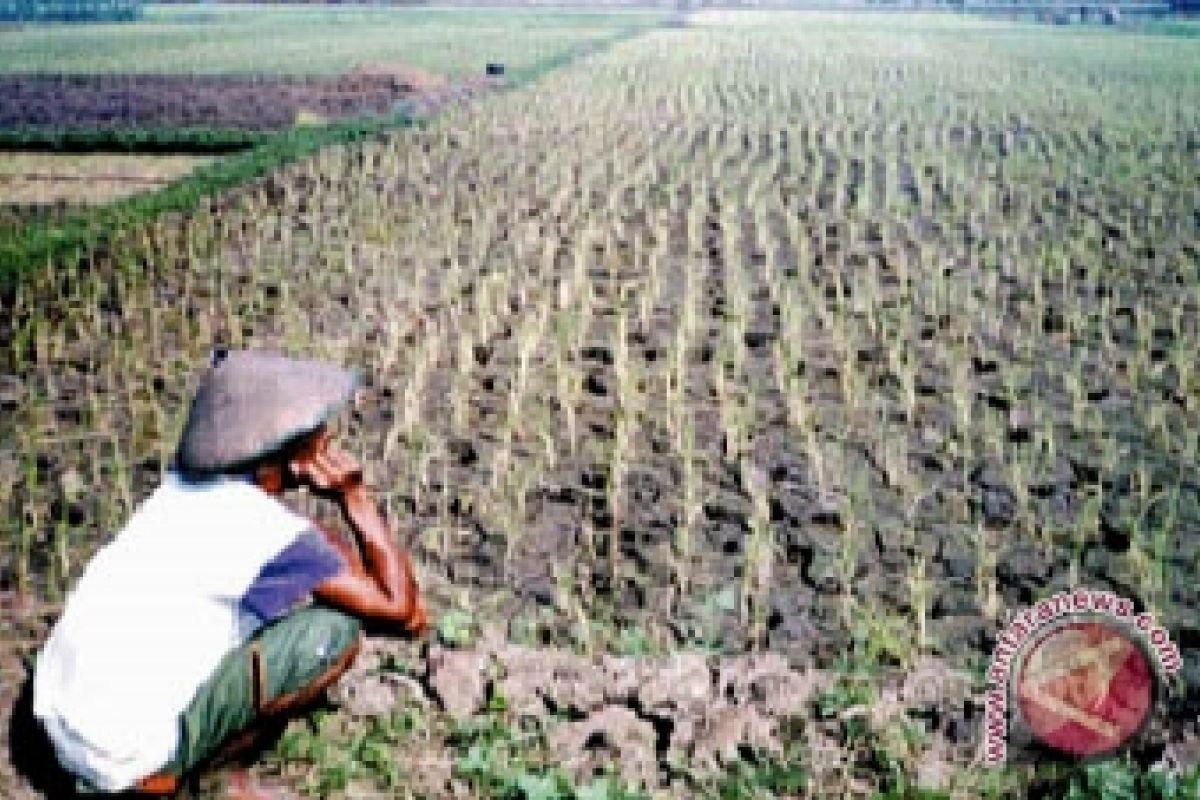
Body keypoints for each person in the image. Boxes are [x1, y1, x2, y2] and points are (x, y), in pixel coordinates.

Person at [31, 349, 429, 796]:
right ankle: (184, 776)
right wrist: (355, 498)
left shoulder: (175, 491)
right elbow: (405, 613)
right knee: (333, 631)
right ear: (289, 456)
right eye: (316, 437)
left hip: (58, 727)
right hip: (122, 763)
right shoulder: (261, 528)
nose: (327, 441)